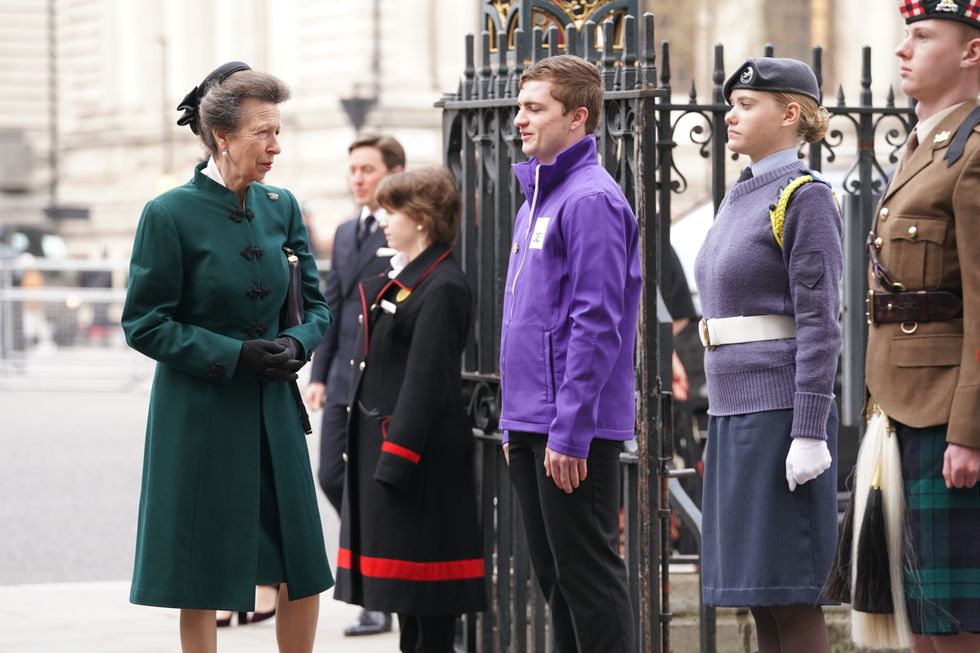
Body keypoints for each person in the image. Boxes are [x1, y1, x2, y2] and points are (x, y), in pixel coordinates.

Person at [121, 61, 333, 653]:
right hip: (201, 411)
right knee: (202, 571)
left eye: (278, 130)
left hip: (274, 408)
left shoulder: (282, 205)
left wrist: (296, 343)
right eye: (262, 132)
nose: (275, 146)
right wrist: (234, 355)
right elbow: (144, 323)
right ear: (222, 136)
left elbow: (315, 306)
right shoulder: (168, 214)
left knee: (301, 560)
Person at [693, 58, 842, 653]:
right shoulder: (741, 195)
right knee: (759, 595)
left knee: (790, 594)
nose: (731, 114)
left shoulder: (804, 197)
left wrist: (809, 428)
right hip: (734, 411)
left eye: (747, 104)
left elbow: (820, 322)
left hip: (782, 413)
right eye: (731, 103)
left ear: (790, 114)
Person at [499, 54, 641, 652]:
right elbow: (526, 318)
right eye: (520, 107)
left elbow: (597, 320)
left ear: (577, 117)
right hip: (533, 420)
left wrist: (570, 428)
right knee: (556, 580)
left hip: (570, 427)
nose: (519, 120)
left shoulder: (590, 200)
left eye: (535, 109)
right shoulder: (537, 195)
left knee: (588, 577)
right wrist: (515, 418)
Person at [862, 3, 980, 650]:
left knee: (957, 628)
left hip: (948, 422)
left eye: (924, 36)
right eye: (905, 34)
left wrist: (969, 430)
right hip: (903, 412)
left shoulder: (973, 154)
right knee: (923, 621)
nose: (904, 49)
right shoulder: (927, 150)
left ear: (972, 53)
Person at [333, 167, 486, 653]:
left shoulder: (442, 285)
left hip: (419, 469)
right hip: (402, 465)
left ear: (420, 219)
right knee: (410, 612)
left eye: (391, 210)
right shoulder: (412, 277)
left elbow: (425, 384)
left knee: (430, 615)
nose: (381, 219)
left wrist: (395, 460)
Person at [305, 132, 405, 637]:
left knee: (376, 485)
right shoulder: (346, 232)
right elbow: (332, 303)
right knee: (330, 475)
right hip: (343, 377)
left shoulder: (404, 228)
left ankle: (377, 594)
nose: (358, 178)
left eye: (368, 169)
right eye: (353, 170)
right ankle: (372, 555)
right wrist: (318, 374)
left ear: (392, 172)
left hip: (383, 381)